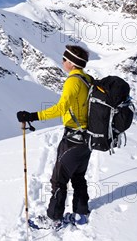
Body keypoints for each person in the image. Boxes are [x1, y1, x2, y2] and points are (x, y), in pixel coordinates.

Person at [17, 44, 93, 227]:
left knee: (59, 179)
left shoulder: (73, 81)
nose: (62, 61)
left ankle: (54, 218)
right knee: (78, 177)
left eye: (65, 59)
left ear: (72, 63)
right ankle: (81, 214)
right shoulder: (88, 79)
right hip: (87, 139)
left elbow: (61, 108)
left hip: (73, 139)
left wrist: (33, 116)